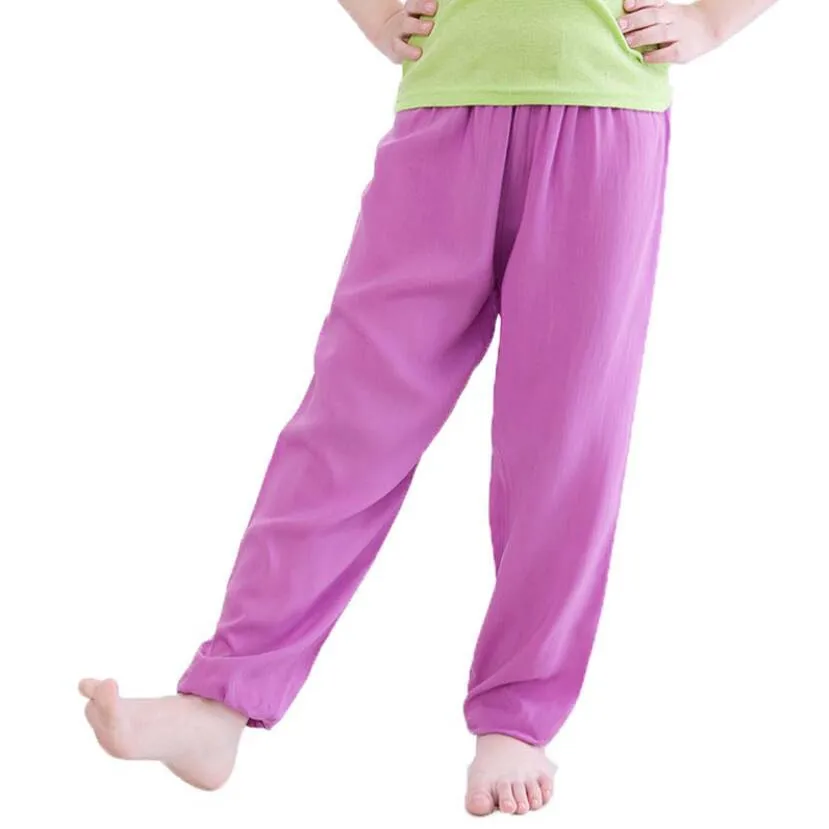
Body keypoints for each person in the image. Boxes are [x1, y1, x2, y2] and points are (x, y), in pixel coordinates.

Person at [79, 0, 779, 817]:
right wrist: (376, 13)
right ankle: (223, 699)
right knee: (349, 422)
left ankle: (516, 715)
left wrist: (711, 19)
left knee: (561, 442)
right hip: (443, 113)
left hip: (602, 115)